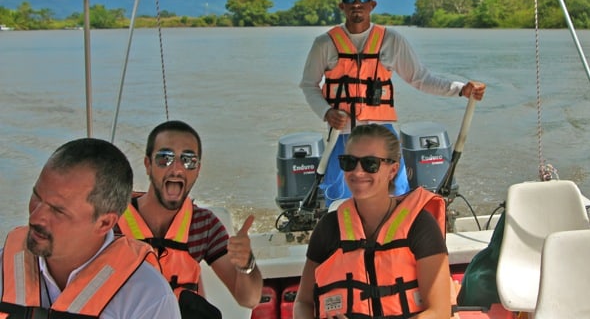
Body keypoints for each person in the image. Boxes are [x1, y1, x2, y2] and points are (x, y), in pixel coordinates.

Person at [300, 0, 486, 205]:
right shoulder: (324, 43)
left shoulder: (391, 40)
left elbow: (420, 78)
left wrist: (461, 89)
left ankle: (395, 237)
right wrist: (327, 112)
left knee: (395, 194)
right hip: (342, 135)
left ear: (372, 4)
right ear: (342, 5)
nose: (357, 2)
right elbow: (308, 85)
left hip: (382, 131)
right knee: (340, 198)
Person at [0, 138, 181, 318]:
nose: (35, 217)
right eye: (37, 197)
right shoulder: (3, 267)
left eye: (57, 210)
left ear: (104, 223)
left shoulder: (148, 299)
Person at [293, 124, 452, 319]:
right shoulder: (328, 227)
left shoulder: (420, 225)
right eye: (349, 162)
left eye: (370, 164)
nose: (358, 172)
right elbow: (303, 302)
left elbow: (440, 312)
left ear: (393, 170)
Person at [115, 120, 262, 316]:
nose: (176, 169)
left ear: (198, 169)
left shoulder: (204, 225)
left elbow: (249, 299)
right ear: (147, 165)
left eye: (188, 160)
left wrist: (247, 263)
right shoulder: (111, 221)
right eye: (164, 158)